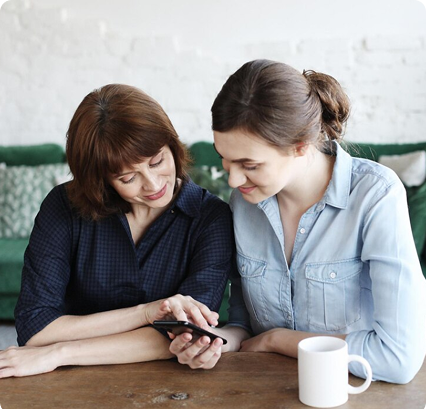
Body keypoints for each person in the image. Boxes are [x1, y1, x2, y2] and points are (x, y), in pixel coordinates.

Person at [169, 59, 426, 384]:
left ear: (301, 146)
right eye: (225, 160)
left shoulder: (375, 195)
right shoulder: (245, 203)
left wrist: (277, 340)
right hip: (262, 391)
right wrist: (214, 342)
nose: (233, 180)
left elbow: (398, 358)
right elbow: (244, 325)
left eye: (250, 164)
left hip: (353, 393)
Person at [0, 84, 235, 378]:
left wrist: (59, 352)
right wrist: (145, 313)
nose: (153, 184)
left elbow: (187, 334)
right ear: (101, 180)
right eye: (128, 178)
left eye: (157, 161)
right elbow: (35, 328)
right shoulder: (63, 206)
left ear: (172, 146)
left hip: (167, 380)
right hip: (69, 380)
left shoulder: (210, 217)